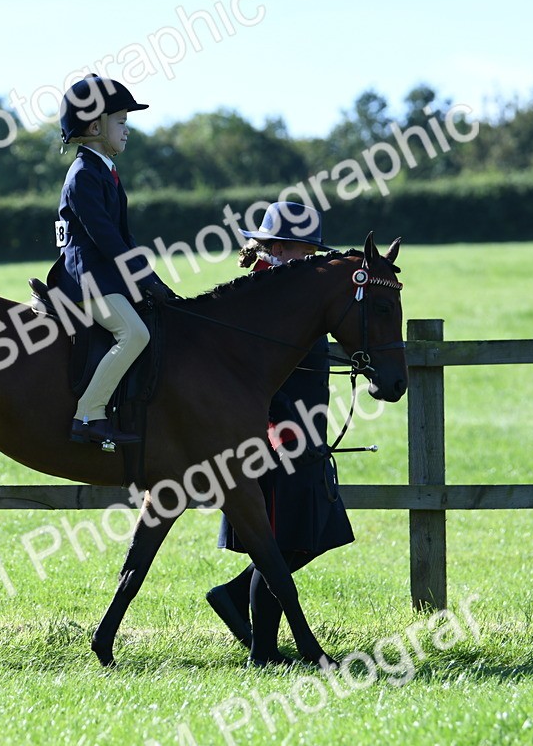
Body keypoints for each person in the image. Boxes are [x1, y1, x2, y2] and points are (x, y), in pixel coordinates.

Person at [206, 201, 356, 667]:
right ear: (275, 248)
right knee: (285, 543)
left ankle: (233, 599)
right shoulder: (258, 299)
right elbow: (249, 379)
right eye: (303, 251)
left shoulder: (297, 297)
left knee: (312, 535)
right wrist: (277, 431)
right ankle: (265, 652)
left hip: (306, 431)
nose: (311, 259)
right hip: (278, 438)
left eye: (315, 251)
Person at [54, 74, 173, 447]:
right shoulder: (83, 176)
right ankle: (89, 414)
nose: (127, 130)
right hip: (85, 280)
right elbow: (107, 242)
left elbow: (124, 238)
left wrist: (152, 278)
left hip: (104, 276)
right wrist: (147, 280)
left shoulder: (104, 172)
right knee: (134, 333)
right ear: (94, 126)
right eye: (121, 122)